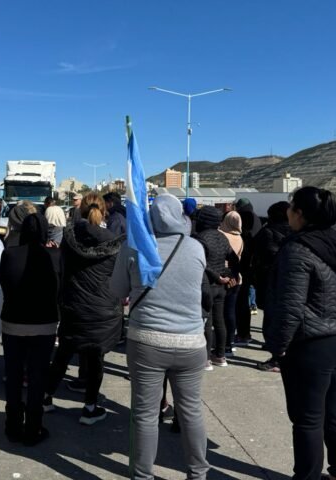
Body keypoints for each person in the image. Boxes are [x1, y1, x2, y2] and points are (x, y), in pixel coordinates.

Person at [111, 194, 210, 480]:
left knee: (144, 413)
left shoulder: (134, 247)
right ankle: (198, 473)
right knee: (191, 411)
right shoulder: (195, 247)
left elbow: (117, 291)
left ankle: (143, 475)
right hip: (191, 342)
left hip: (147, 342)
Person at [264, 187, 336, 480]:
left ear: (301, 214)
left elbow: (290, 306)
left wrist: (278, 347)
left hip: (312, 344)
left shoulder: (299, 249)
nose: (288, 213)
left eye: (291, 208)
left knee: (307, 420)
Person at [44, 192, 124, 424]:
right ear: (103, 211)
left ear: (81, 210)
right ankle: (90, 407)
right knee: (95, 358)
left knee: (63, 354)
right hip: (102, 309)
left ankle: (46, 397)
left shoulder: (68, 238)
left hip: (73, 304)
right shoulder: (113, 241)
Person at [0, 213, 60, 446]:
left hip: (13, 322)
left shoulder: (9, 254)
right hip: (44, 324)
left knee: (13, 374)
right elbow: (60, 287)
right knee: (38, 376)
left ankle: (13, 423)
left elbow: (3, 283)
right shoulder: (54, 255)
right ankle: (34, 426)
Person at [194, 206, 239, 370]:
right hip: (221, 287)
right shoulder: (222, 237)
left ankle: (205, 358)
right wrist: (229, 275)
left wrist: (215, 276)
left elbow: (201, 263)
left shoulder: (199, 238)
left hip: (207, 284)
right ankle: (220, 355)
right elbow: (234, 259)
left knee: (207, 321)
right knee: (220, 321)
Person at [251, 201, 291, 372]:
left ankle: (276, 357)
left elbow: (255, 249)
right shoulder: (296, 232)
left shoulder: (267, 232)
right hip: (290, 281)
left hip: (269, 280)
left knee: (271, 317)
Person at [233, 197, 262, 346]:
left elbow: (245, 240)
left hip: (244, 265)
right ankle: (244, 333)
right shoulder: (255, 217)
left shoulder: (245, 218)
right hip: (253, 265)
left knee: (241, 301)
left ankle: (243, 334)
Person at [220, 211, 244, 357]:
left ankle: (223, 345)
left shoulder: (222, 236)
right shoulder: (240, 238)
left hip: (224, 277)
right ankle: (231, 342)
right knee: (231, 311)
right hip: (237, 278)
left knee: (221, 313)